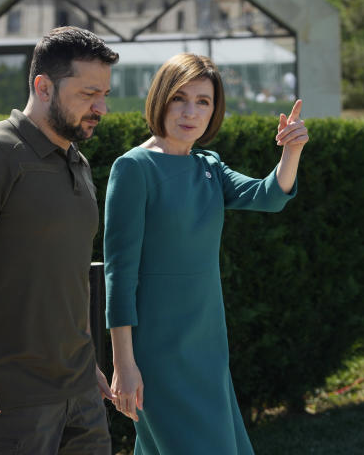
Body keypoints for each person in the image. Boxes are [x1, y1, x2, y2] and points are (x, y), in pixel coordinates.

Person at [104, 53, 309, 454]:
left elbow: (268, 196)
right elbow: (119, 274)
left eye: (203, 101)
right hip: (157, 352)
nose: (190, 111)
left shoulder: (209, 166)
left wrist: (291, 151)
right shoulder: (133, 168)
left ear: (215, 110)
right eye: (179, 98)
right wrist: (124, 365)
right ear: (160, 100)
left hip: (207, 345)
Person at [0, 27, 119, 454]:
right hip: (9, 401)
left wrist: (89, 366)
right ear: (43, 86)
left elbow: (72, 271)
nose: (101, 108)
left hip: (82, 393)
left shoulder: (78, 162)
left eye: (105, 94)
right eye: (89, 93)